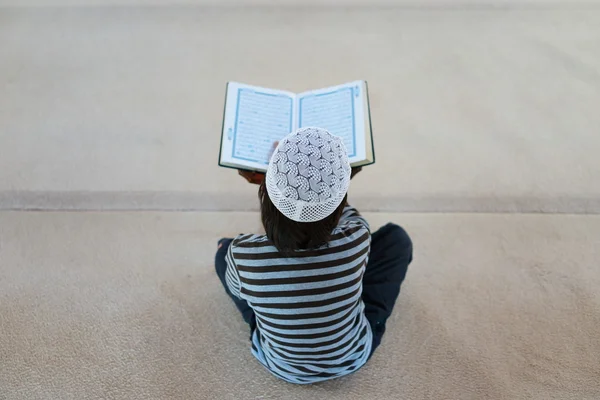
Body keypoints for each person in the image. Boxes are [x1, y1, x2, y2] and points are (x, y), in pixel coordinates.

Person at [215, 127, 413, 384]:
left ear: (264, 193)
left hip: (281, 363)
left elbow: (238, 288)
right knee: (396, 238)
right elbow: (345, 213)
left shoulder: (243, 253)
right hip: (352, 354)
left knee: (222, 253)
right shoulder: (357, 237)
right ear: (339, 203)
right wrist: (332, 178)